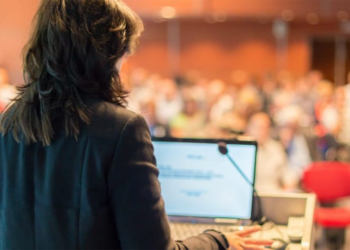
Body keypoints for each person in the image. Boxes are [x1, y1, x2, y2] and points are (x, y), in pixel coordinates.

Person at [0, 0, 272, 249]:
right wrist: (219, 240)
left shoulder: (9, 121)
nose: (123, 68)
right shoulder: (121, 130)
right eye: (123, 56)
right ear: (104, 56)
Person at [246, 113, 288, 192]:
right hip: (249, 195)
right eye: (259, 128)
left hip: (274, 194)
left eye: (266, 127)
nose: (263, 131)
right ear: (249, 128)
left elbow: (287, 177)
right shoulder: (242, 149)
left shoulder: (276, 148)